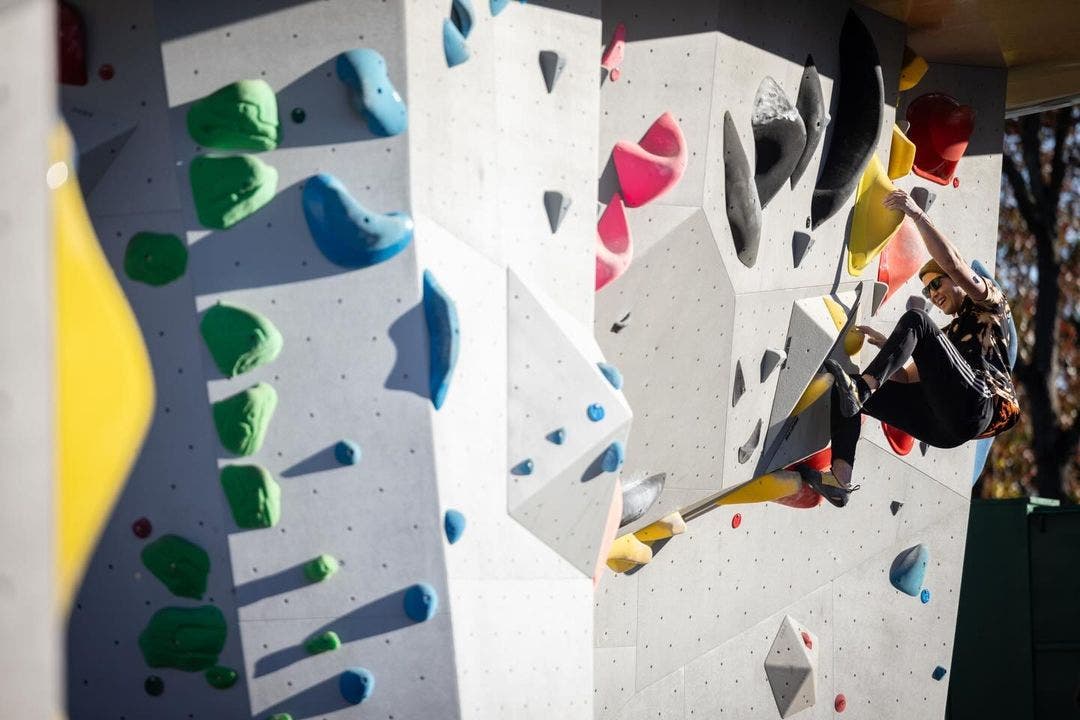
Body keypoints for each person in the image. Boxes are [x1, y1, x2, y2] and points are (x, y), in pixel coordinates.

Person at [800, 188, 1020, 507]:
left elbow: (954, 263)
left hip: (977, 405)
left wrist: (917, 214)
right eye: (928, 291)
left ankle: (863, 389)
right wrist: (889, 345)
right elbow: (906, 377)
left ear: (957, 282)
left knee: (916, 321)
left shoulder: (990, 305)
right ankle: (840, 479)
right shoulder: (949, 337)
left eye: (936, 284)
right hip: (942, 429)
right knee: (843, 388)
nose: (933, 294)